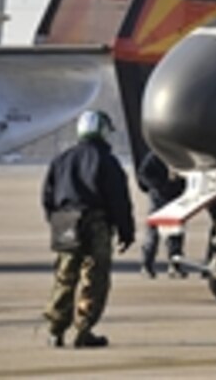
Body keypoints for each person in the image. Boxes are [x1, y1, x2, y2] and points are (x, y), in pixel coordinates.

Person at [41, 109, 135, 349]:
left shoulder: (61, 160)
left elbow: (47, 196)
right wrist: (126, 231)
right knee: (95, 278)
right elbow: (118, 199)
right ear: (103, 131)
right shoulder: (107, 161)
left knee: (64, 277)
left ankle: (55, 330)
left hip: (64, 219)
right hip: (95, 221)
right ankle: (84, 329)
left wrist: (55, 220)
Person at [137, 150, 187, 278]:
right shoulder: (155, 155)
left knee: (176, 232)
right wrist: (160, 185)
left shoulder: (180, 155)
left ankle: (175, 265)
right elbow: (143, 174)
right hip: (159, 197)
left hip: (175, 198)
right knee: (153, 233)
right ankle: (147, 265)